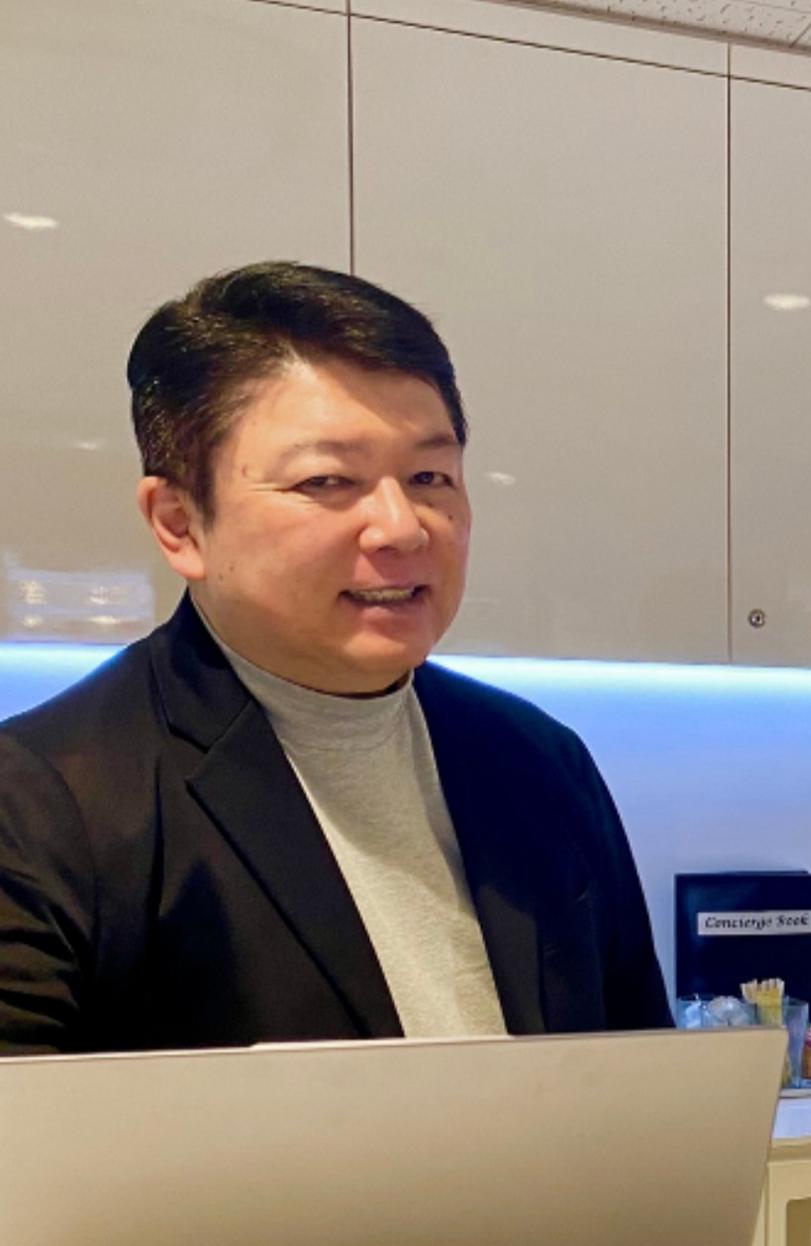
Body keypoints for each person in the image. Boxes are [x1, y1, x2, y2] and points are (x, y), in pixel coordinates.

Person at [0, 262, 673, 1054]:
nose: (402, 527)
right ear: (179, 522)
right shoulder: (46, 802)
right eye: (326, 480)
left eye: (429, 476)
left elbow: (645, 1086)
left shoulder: (540, 764)